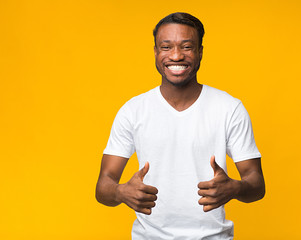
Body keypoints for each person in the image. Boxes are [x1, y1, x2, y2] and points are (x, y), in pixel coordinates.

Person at [96, 12, 265, 239]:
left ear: (200, 52)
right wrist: (120, 192)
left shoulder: (229, 108)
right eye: (166, 47)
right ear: (156, 52)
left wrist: (235, 187)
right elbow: (103, 186)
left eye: (186, 47)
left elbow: (256, 182)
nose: (176, 56)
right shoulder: (133, 110)